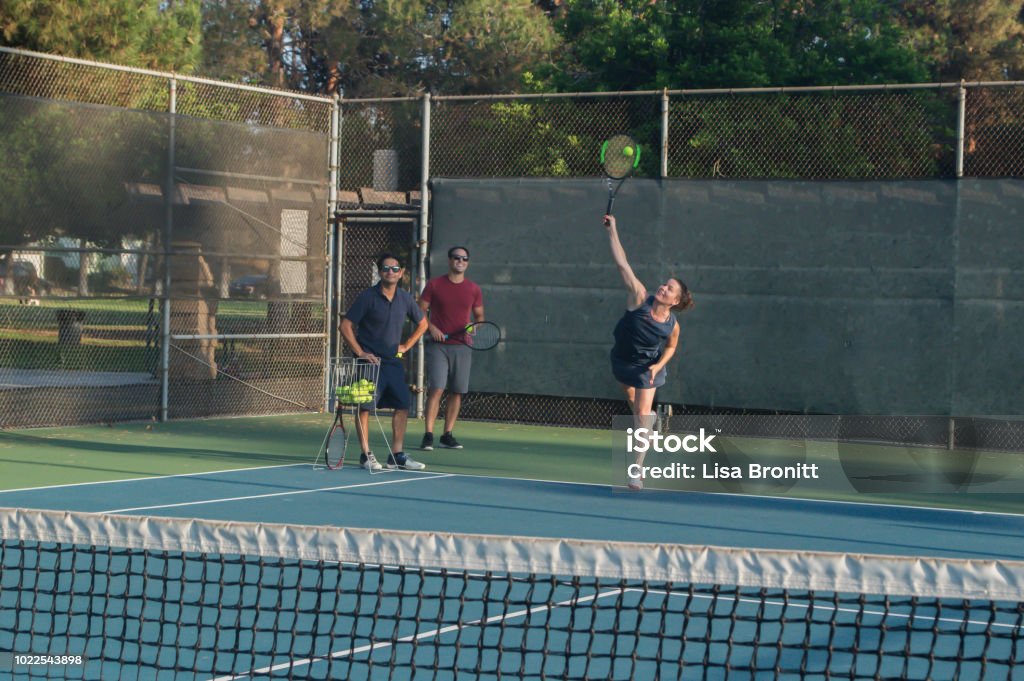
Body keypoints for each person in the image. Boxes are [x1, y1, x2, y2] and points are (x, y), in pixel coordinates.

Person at [604, 215, 694, 488]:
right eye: (665, 284)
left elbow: (672, 346)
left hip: (648, 368)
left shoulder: (672, 324)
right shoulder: (640, 297)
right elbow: (623, 264)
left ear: (675, 301)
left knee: (640, 416)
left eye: (670, 289)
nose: (663, 287)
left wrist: (657, 366)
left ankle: (636, 471)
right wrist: (613, 231)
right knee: (634, 406)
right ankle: (650, 421)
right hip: (621, 360)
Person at [340, 253, 430, 472]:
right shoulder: (367, 297)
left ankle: (396, 455)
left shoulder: (405, 298)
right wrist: (360, 352)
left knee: (402, 405)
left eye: (395, 268)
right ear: (380, 272)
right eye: (386, 268)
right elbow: (345, 326)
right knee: (365, 406)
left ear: (402, 273)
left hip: (393, 363)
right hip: (369, 363)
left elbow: (423, 324)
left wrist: (406, 346)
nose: (391, 272)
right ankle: (366, 454)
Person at [418, 246, 484, 451]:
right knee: (437, 388)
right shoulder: (434, 285)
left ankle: (447, 434)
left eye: (464, 259)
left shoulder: (473, 289)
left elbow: (480, 317)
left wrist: (474, 326)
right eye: (456, 258)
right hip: (438, 346)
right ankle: (428, 435)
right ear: (449, 261)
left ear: (467, 263)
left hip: (462, 346)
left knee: (457, 391)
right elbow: (420, 311)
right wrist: (432, 328)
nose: (460, 261)